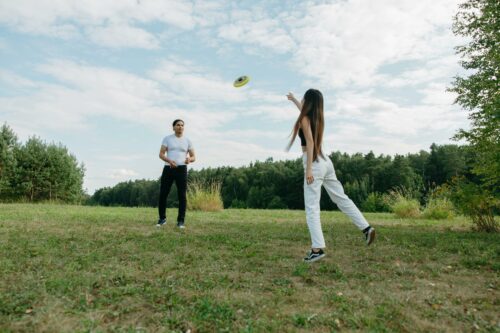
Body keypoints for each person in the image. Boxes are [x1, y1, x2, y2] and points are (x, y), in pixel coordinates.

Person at [287, 89, 375, 262]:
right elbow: (304, 115)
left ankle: (317, 249)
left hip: (313, 161)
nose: (302, 100)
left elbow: (310, 142)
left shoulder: (305, 119)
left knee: (312, 207)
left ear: (309, 101)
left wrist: (309, 169)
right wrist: (294, 100)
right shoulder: (316, 118)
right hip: (325, 161)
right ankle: (366, 228)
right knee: (341, 198)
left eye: (304, 98)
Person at [157, 119, 196, 228]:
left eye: (182, 125)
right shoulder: (167, 139)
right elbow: (161, 154)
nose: (180, 127)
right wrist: (169, 161)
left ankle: (181, 221)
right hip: (168, 168)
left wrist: (189, 159)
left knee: (182, 195)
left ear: (184, 127)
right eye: (178, 125)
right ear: (173, 127)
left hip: (182, 169)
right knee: (163, 194)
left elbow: (193, 157)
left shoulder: (187, 141)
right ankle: (162, 219)